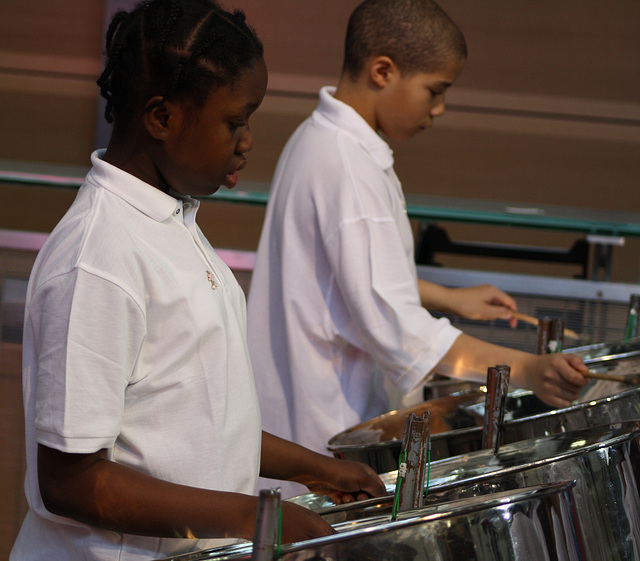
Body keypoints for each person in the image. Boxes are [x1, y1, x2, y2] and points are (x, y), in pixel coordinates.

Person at [10, 1, 386, 559]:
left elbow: (199, 425)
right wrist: (254, 516)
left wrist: (316, 469)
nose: (248, 140)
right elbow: (69, 481)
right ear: (161, 118)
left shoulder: (172, 222)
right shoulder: (99, 259)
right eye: (235, 122)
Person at [247, 0, 589, 497]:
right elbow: (406, 340)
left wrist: (449, 297)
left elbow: (342, 278)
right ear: (383, 70)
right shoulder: (348, 169)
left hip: (308, 425)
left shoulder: (317, 139)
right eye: (435, 90)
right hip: (321, 439)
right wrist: (528, 370)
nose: (439, 108)